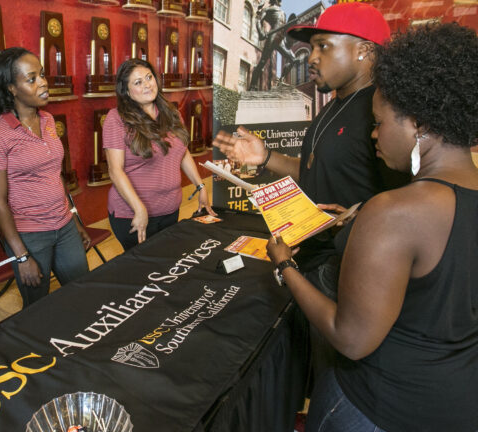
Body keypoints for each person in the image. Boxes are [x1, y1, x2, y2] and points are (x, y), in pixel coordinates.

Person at [266, 23, 478, 432]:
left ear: (416, 122)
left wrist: (285, 268)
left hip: (373, 409)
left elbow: (350, 338)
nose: (375, 134)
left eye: (379, 122)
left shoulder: (395, 211)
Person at [214, 2, 408, 287]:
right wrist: (265, 156)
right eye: (312, 48)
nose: (311, 58)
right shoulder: (334, 105)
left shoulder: (385, 115)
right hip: (310, 257)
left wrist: (356, 222)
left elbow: (409, 204)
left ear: (364, 51)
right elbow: (316, 170)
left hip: (351, 269)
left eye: (323, 46)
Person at [0, 47, 90, 307]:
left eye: (41, 75)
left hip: (64, 227)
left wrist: (74, 221)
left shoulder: (49, 120)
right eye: (32, 79)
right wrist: (21, 256)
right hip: (30, 235)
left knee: (83, 297)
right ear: (11, 88)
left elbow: (56, 175)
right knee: (37, 309)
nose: (43, 83)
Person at [104, 58, 215, 251]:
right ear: (126, 91)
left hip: (170, 210)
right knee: (145, 273)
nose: (147, 84)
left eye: (149, 77)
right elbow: (115, 170)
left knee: (167, 266)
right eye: (138, 82)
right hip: (133, 214)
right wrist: (139, 208)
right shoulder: (116, 119)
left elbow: (181, 152)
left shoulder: (170, 112)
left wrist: (200, 185)